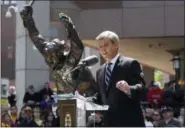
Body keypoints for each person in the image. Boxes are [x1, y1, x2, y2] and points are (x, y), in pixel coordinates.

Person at [19, 5, 97, 96]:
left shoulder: (69, 61)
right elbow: (36, 37)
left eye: (53, 53)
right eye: (49, 53)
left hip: (85, 94)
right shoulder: (47, 52)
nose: (50, 56)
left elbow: (78, 48)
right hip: (64, 95)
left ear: (59, 52)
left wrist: (70, 28)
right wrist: (28, 20)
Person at [94, 30, 145, 127]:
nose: (103, 49)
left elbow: (141, 87)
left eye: (106, 45)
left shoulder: (130, 64)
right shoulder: (99, 71)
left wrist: (128, 89)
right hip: (109, 123)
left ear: (116, 45)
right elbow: (100, 96)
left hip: (129, 122)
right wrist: (83, 100)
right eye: (100, 47)